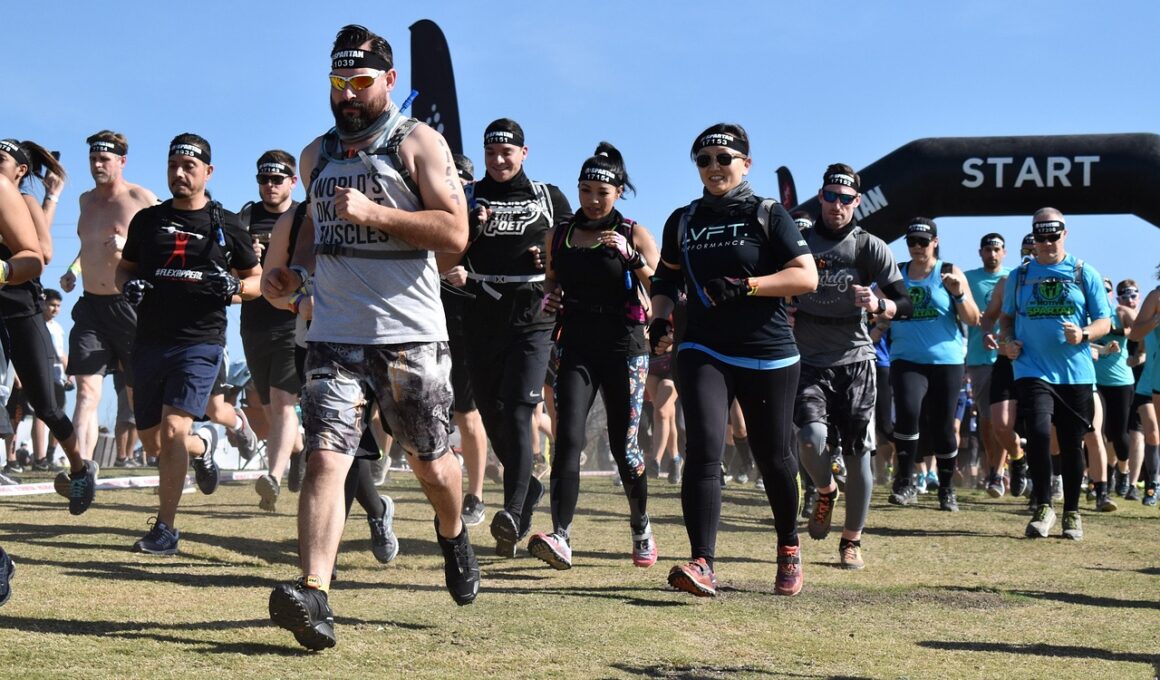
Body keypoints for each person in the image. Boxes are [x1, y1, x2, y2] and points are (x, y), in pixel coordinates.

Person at [262, 25, 477, 651]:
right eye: (339, 82)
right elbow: (315, 226)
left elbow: (455, 233)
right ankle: (315, 594)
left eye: (361, 81)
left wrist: (377, 214)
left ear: (389, 80)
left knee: (431, 465)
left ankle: (453, 533)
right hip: (333, 333)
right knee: (325, 458)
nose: (348, 94)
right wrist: (294, 272)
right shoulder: (315, 155)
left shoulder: (418, 143)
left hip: (409, 334)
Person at [650, 123, 817, 597]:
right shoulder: (683, 220)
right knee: (704, 447)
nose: (714, 167)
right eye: (704, 160)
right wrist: (660, 318)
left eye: (724, 158)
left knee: (774, 456)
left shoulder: (768, 213)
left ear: (746, 163)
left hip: (768, 352)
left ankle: (788, 545)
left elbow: (806, 277)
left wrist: (748, 285)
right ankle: (702, 562)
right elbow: (665, 277)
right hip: (703, 347)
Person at [117, 133, 262, 553]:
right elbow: (124, 269)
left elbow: (257, 281)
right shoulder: (147, 220)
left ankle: (166, 529)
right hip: (150, 340)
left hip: (200, 341)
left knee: (174, 429)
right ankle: (203, 447)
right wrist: (128, 286)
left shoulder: (226, 224)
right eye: (173, 166)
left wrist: (235, 286)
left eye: (189, 167)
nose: (179, 174)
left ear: (208, 172)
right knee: (153, 442)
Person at [525, 142, 660, 570]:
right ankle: (561, 535)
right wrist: (549, 298)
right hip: (576, 344)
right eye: (586, 190)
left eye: (602, 192)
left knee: (624, 447)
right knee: (568, 438)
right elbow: (551, 280)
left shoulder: (634, 232)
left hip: (625, 348)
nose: (593, 200)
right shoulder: (560, 234)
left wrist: (630, 256)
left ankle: (641, 524)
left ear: (618, 192)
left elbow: (660, 284)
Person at [452, 117, 572, 558]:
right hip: (480, 314)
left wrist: (553, 261)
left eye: (507, 152)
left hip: (533, 314)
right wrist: (471, 231)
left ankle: (514, 512)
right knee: (493, 414)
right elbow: (444, 251)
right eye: (491, 152)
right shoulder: (468, 196)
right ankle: (528, 489)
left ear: (524, 153)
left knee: (521, 409)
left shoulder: (547, 196)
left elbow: (575, 246)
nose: (499, 160)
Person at [791, 163, 912, 570]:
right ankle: (826, 489)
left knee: (859, 455)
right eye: (830, 196)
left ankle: (851, 540)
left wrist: (879, 304)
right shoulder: (801, 242)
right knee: (810, 441)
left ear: (857, 202)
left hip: (856, 360)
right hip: (809, 359)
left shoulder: (869, 246)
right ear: (821, 197)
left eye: (845, 199)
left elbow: (905, 303)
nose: (837, 205)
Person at [1000, 208, 1111, 540]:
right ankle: (1043, 505)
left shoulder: (1083, 272)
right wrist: (1008, 342)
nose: (1047, 243)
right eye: (1041, 237)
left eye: (1053, 236)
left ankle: (1072, 512)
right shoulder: (1019, 276)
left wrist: (1084, 333)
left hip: (1075, 372)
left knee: (1072, 442)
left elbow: (1104, 322)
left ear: (1065, 234)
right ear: (1033, 237)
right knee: (1038, 432)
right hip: (1031, 367)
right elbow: (1006, 318)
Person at [0, 138, 96, 514]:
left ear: (21, 170)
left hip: (21, 311)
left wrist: (51, 199)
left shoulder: (23, 201)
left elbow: (44, 252)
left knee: (46, 406)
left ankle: (79, 469)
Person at [61, 131, 158, 466]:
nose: (97, 165)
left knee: (139, 394)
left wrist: (128, 245)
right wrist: (73, 269)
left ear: (122, 161)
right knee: (86, 393)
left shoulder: (141, 198)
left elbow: (164, 246)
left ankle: (172, 453)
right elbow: (88, 247)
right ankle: (82, 470)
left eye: (104, 159)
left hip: (128, 306)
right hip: (91, 307)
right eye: (92, 159)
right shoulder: (85, 201)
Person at [887, 219, 979, 511]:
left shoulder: (949, 271)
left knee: (943, 425)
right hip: (906, 358)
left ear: (935, 242)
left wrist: (958, 294)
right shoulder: (897, 273)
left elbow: (973, 318)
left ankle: (947, 488)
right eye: (911, 241)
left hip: (945, 361)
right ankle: (905, 482)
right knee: (907, 413)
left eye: (923, 242)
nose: (917, 247)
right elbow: (877, 306)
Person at [239, 151, 303, 512]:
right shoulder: (245, 217)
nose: (269, 185)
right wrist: (247, 258)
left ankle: (272, 478)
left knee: (282, 402)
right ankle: (297, 450)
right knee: (267, 407)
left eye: (277, 179)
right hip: (254, 322)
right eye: (263, 179)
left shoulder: (303, 217)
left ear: (292, 182)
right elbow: (229, 266)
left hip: (291, 320)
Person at [438, 153, 489, 527]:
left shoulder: (482, 214)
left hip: (468, 321)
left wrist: (471, 275)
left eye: (461, 179)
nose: (453, 184)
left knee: (468, 414)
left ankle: (477, 494)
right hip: (426, 320)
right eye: (448, 177)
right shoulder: (425, 207)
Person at [964, 233, 1011, 497]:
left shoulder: (1014, 277)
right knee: (986, 419)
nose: (992, 254)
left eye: (996, 249)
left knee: (1004, 419)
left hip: (1010, 357)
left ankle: (1000, 472)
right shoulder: (968, 278)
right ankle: (994, 468)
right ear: (980, 252)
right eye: (987, 250)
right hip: (978, 357)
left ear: (1004, 252)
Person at [1127, 267, 1160, 505]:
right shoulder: (1155, 297)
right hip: (1150, 381)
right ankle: (1153, 484)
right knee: (1153, 433)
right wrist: (1156, 319)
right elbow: (1135, 334)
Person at [30, 288, 70, 469]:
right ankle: (39, 459)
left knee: (59, 414)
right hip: (39, 374)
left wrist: (69, 374)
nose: (55, 309)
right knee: (41, 415)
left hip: (57, 377)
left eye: (58, 306)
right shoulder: (35, 324)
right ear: (43, 304)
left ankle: (50, 455)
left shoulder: (58, 328)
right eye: (52, 305)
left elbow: (61, 354)